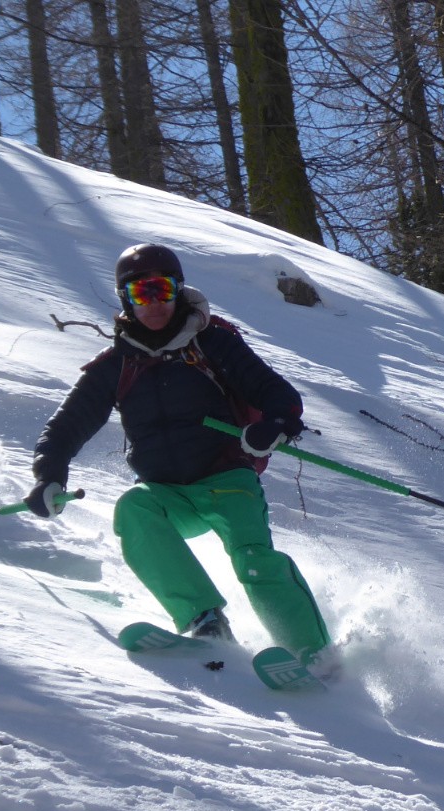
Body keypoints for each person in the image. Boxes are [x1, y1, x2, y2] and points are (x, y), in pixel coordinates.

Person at [27, 242, 331, 667]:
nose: (153, 303)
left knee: (254, 560)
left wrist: (275, 425)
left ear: (177, 290)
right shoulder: (117, 363)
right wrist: (49, 473)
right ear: (126, 300)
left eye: (160, 290)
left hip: (229, 480)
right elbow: (67, 424)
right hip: (168, 491)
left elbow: (275, 393)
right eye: (140, 294)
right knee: (135, 508)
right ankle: (205, 620)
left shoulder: (212, 344)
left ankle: (312, 656)